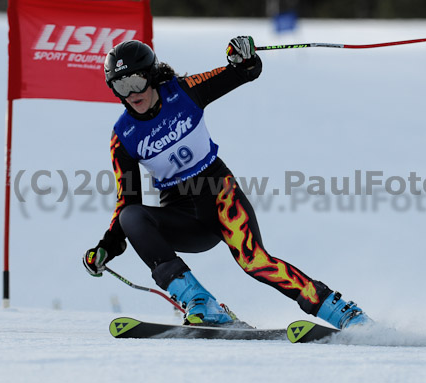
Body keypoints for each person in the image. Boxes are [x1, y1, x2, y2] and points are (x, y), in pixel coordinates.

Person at [83, 36, 371, 329]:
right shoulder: (123, 135)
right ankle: (200, 302)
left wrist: (243, 57)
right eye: (120, 86)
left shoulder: (184, 92)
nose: (131, 93)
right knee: (132, 216)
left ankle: (343, 312)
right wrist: (108, 245)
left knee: (255, 261)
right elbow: (127, 201)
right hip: (184, 219)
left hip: (221, 198)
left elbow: (244, 72)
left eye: (135, 81)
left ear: (152, 75)